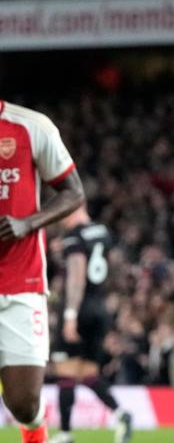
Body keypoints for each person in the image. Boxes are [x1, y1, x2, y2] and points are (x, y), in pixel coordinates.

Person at [0, 100, 85, 443]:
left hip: (21, 283)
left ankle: (35, 428)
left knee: (23, 401)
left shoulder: (31, 127)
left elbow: (74, 192)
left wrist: (27, 223)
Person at [49, 207, 132, 443]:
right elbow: (111, 265)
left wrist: (70, 315)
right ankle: (121, 413)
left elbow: (76, 275)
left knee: (65, 372)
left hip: (80, 309)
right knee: (87, 373)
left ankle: (65, 433)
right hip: (100, 308)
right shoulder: (102, 232)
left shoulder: (73, 236)